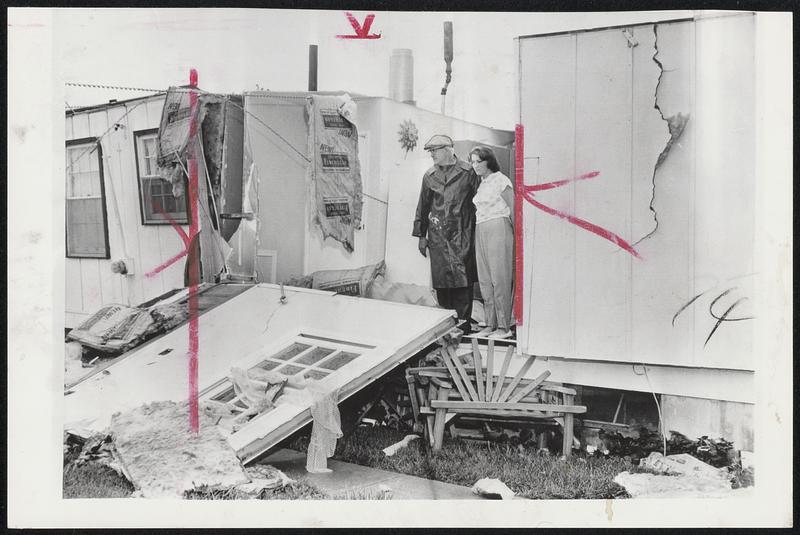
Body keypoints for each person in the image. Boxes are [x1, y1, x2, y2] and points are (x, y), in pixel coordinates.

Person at [413, 134, 480, 333]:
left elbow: (481, 201)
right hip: (438, 236)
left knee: (463, 281)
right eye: (430, 151)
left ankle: (464, 326)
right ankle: (446, 327)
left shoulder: (468, 172)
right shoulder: (429, 176)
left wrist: (481, 231)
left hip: (463, 233)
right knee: (442, 283)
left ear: (448, 150)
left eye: (434, 150)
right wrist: (421, 236)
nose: (431, 154)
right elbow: (423, 207)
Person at [469, 146, 514, 339]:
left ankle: (504, 327)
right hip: (481, 227)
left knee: (499, 278)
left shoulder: (501, 180)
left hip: (498, 226)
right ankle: (489, 324)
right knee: (485, 279)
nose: (475, 165)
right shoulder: (482, 184)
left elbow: (513, 208)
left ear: (489, 161)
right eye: (472, 162)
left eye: (478, 161)